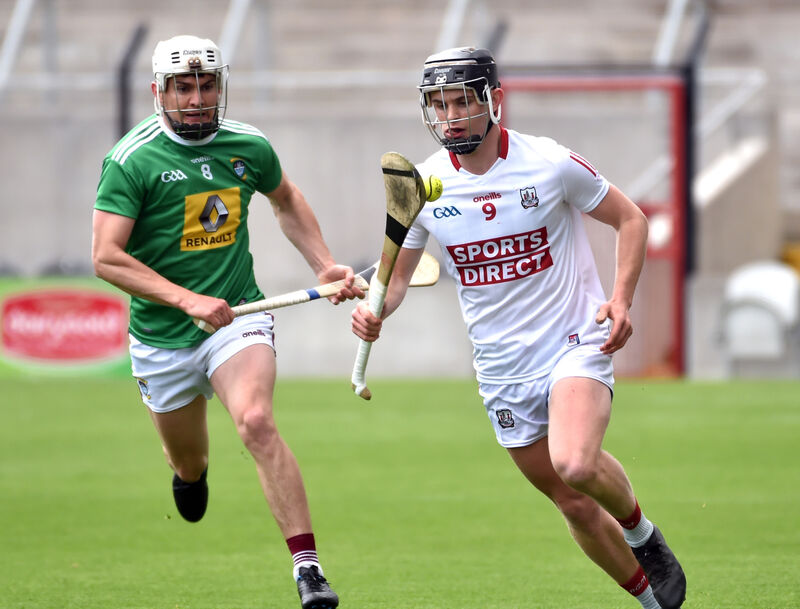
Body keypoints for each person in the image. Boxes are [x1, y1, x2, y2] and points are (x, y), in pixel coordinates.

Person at [351, 47, 686, 609]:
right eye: (440, 104)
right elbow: (399, 281)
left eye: (463, 102)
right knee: (574, 503)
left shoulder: (549, 163)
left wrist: (621, 299)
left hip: (573, 342)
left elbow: (631, 219)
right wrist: (373, 307)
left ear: (494, 101)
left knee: (575, 462)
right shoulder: (424, 187)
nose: (451, 116)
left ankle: (641, 533)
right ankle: (653, 603)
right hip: (502, 368)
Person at [92, 35, 358, 609]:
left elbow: (284, 199)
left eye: (207, 86)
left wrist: (324, 264)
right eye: (183, 87)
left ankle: (308, 570)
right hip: (163, 337)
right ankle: (190, 476)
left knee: (257, 422)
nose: (196, 99)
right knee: (189, 461)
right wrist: (186, 300)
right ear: (158, 92)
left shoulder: (247, 146)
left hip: (238, 317)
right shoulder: (131, 159)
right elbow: (106, 257)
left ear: (222, 87)